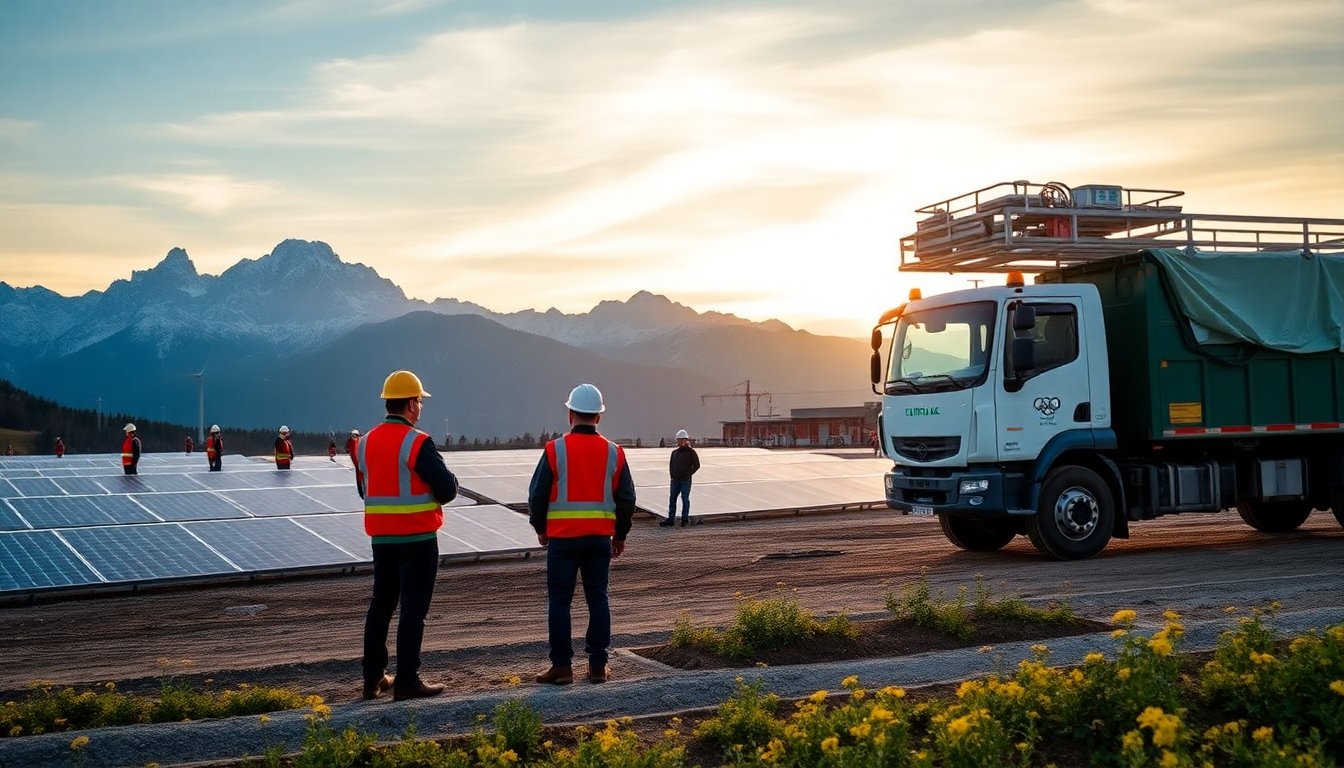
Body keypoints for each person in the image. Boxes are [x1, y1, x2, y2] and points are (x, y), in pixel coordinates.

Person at [357, 369, 459, 702]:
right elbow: (446, 490)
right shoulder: (417, 442)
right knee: (413, 609)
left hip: (381, 539)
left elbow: (365, 490)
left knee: (381, 605)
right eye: (420, 402)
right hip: (416, 538)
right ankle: (407, 680)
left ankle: (372, 680)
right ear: (412, 404)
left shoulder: (365, 443)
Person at [528, 383, 635, 686]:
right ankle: (598, 666)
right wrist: (620, 536)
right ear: (598, 417)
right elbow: (627, 499)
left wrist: (541, 528)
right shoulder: (614, 453)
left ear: (570, 414)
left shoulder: (554, 450)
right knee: (598, 598)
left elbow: (537, 495)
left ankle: (562, 668)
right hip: (599, 539)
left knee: (560, 602)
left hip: (562, 540)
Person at [660, 429, 700, 528]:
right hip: (675, 480)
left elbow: (697, 465)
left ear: (686, 440)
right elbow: (671, 465)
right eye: (679, 440)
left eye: (682, 440)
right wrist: (672, 476)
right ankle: (670, 519)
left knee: (685, 499)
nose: (680, 442)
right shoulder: (675, 453)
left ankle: (684, 519)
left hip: (685, 480)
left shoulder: (691, 452)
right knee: (672, 499)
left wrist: (688, 474)